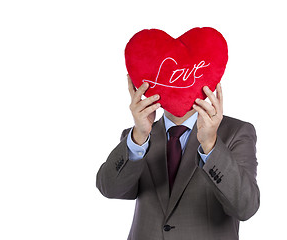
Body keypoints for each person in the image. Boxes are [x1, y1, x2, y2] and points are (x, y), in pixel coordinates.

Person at [96, 75, 260, 240]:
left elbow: (245, 207)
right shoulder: (137, 136)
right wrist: (138, 138)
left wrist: (211, 145)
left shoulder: (237, 132)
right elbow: (110, 189)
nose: (177, 83)